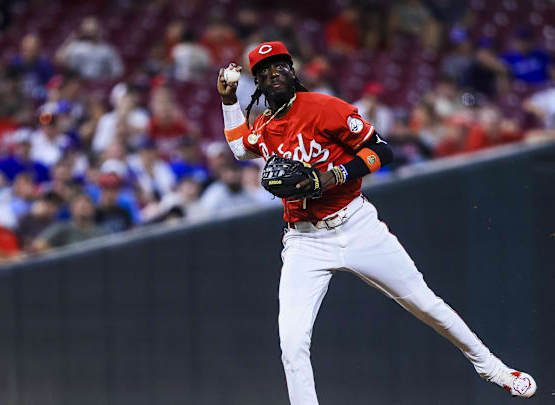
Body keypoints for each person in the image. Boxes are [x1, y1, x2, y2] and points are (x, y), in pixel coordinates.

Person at [216, 42, 537, 404]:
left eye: (280, 67)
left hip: (356, 224)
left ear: (293, 72)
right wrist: (229, 103)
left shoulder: (326, 108)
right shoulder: (265, 124)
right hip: (305, 241)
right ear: (256, 81)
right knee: (291, 341)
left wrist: (331, 176)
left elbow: (381, 150)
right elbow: (242, 149)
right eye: (265, 71)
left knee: (425, 304)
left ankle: (493, 368)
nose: (274, 74)